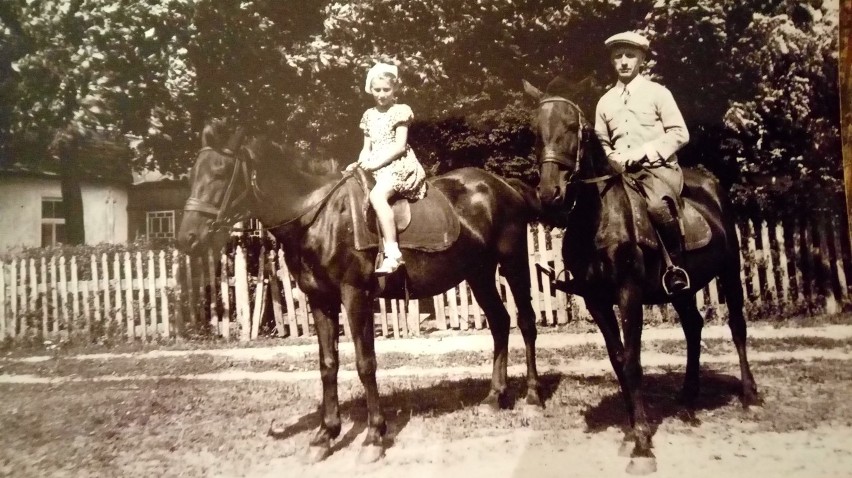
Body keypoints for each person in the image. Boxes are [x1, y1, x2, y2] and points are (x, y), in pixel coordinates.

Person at [593, 31, 691, 294]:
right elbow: (602, 141)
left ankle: (675, 268)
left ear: (641, 59)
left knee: (658, 206)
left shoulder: (657, 93)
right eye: (617, 56)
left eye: (630, 55)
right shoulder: (604, 102)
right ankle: (587, 273)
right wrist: (613, 158)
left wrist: (643, 152)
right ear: (612, 62)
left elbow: (680, 133)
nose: (624, 61)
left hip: (658, 170)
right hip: (621, 174)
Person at [346, 62, 427, 275]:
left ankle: (393, 252)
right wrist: (359, 163)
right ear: (370, 90)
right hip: (375, 166)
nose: (381, 94)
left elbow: (399, 147)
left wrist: (376, 162)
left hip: (399, 165)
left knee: (377, 196)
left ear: (395, 90)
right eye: (377, 90)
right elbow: (366, 149)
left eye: (386, 90)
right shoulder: (369, 115)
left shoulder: (400, 111)